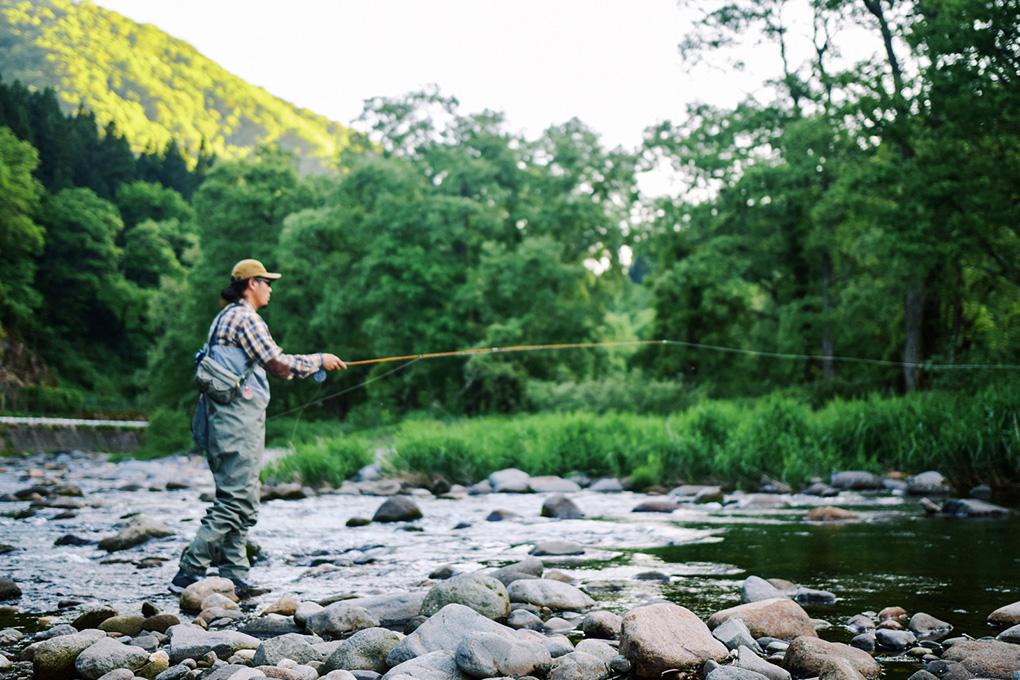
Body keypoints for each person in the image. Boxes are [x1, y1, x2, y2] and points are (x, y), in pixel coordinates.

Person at [169, 258, 346, 596]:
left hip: (224, 419)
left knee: (243, 499)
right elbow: (277, 365)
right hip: (236, 421)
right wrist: (319, 360)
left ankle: (235, 575)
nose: (270, 288)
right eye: (266, 282)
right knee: (235, 500)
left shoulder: (223, 317)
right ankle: (188, 571)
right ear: (251, 284)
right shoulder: (246, 318)